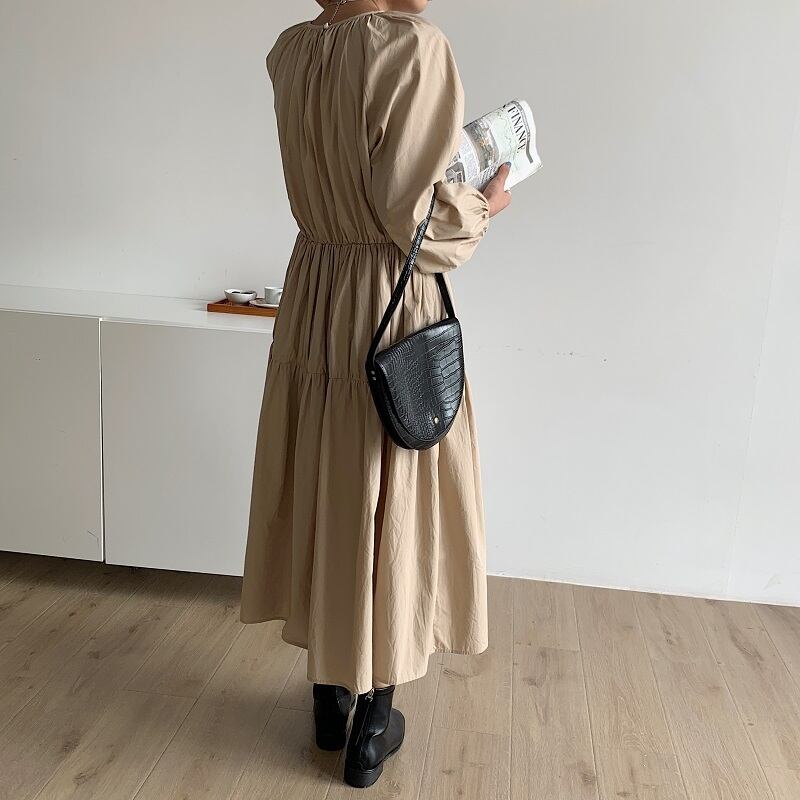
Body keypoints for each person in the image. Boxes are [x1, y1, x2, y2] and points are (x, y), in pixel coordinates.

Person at [239, 0, 511, 788]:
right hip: (386, 295)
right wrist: (485, 204)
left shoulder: (292, 52)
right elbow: (418, 219)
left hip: (315, 288)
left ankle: (328, 697)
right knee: (389, 488)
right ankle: (371, 722)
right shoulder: (412, 49)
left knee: (327, 477)